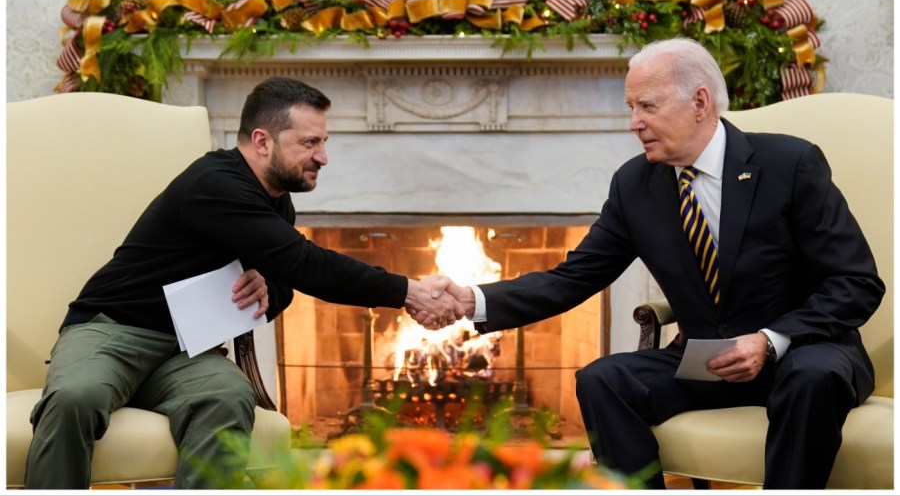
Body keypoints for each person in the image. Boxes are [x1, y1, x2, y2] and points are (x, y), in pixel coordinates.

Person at [432, 38, 884, 489]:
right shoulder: (635, 185)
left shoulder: (789, 163)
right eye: (631, 107)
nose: (634, 123)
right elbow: (574, 277)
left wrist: (769, 340)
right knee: (601, 380)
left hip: (803, 350)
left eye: (647, 105)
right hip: (713, 362)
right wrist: (473, 299)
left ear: (700, 102)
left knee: (813, 377)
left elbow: (856, 281)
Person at [25, 76, 464, 489]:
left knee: (229, 394)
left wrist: (268, 289)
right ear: (261, 141)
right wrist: (409, 290)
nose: (323, 157)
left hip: (184, 350)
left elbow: (285, 280)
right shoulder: (215, 183)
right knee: (75, 397)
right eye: (309, 142)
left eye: (324, 142)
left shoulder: (275, 200)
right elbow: (304, 263)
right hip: (112, 330)